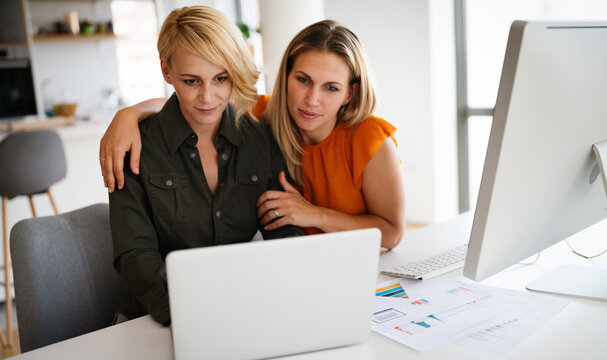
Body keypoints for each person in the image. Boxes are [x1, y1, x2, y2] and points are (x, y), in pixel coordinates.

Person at [100, 20, 405, 250]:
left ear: (350, 93)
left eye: (331, 88)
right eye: (303, 80)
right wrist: (129, 114)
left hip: (356, 262)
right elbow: (201, 102)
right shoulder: (265, 115)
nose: (312, 100)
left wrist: (313, 215)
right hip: (294, 264)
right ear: (286, 76)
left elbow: (391, 233)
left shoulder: (370, 139)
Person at [108, 6, 301, 326]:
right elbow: (135, 257)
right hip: (155, 319)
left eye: (221, 78)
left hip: (243, 311)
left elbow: (284, 233)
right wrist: (194, 313)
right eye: (191, 81)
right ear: (166, 72)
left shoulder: (260, 139)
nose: (207, 97)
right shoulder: (135, 147)